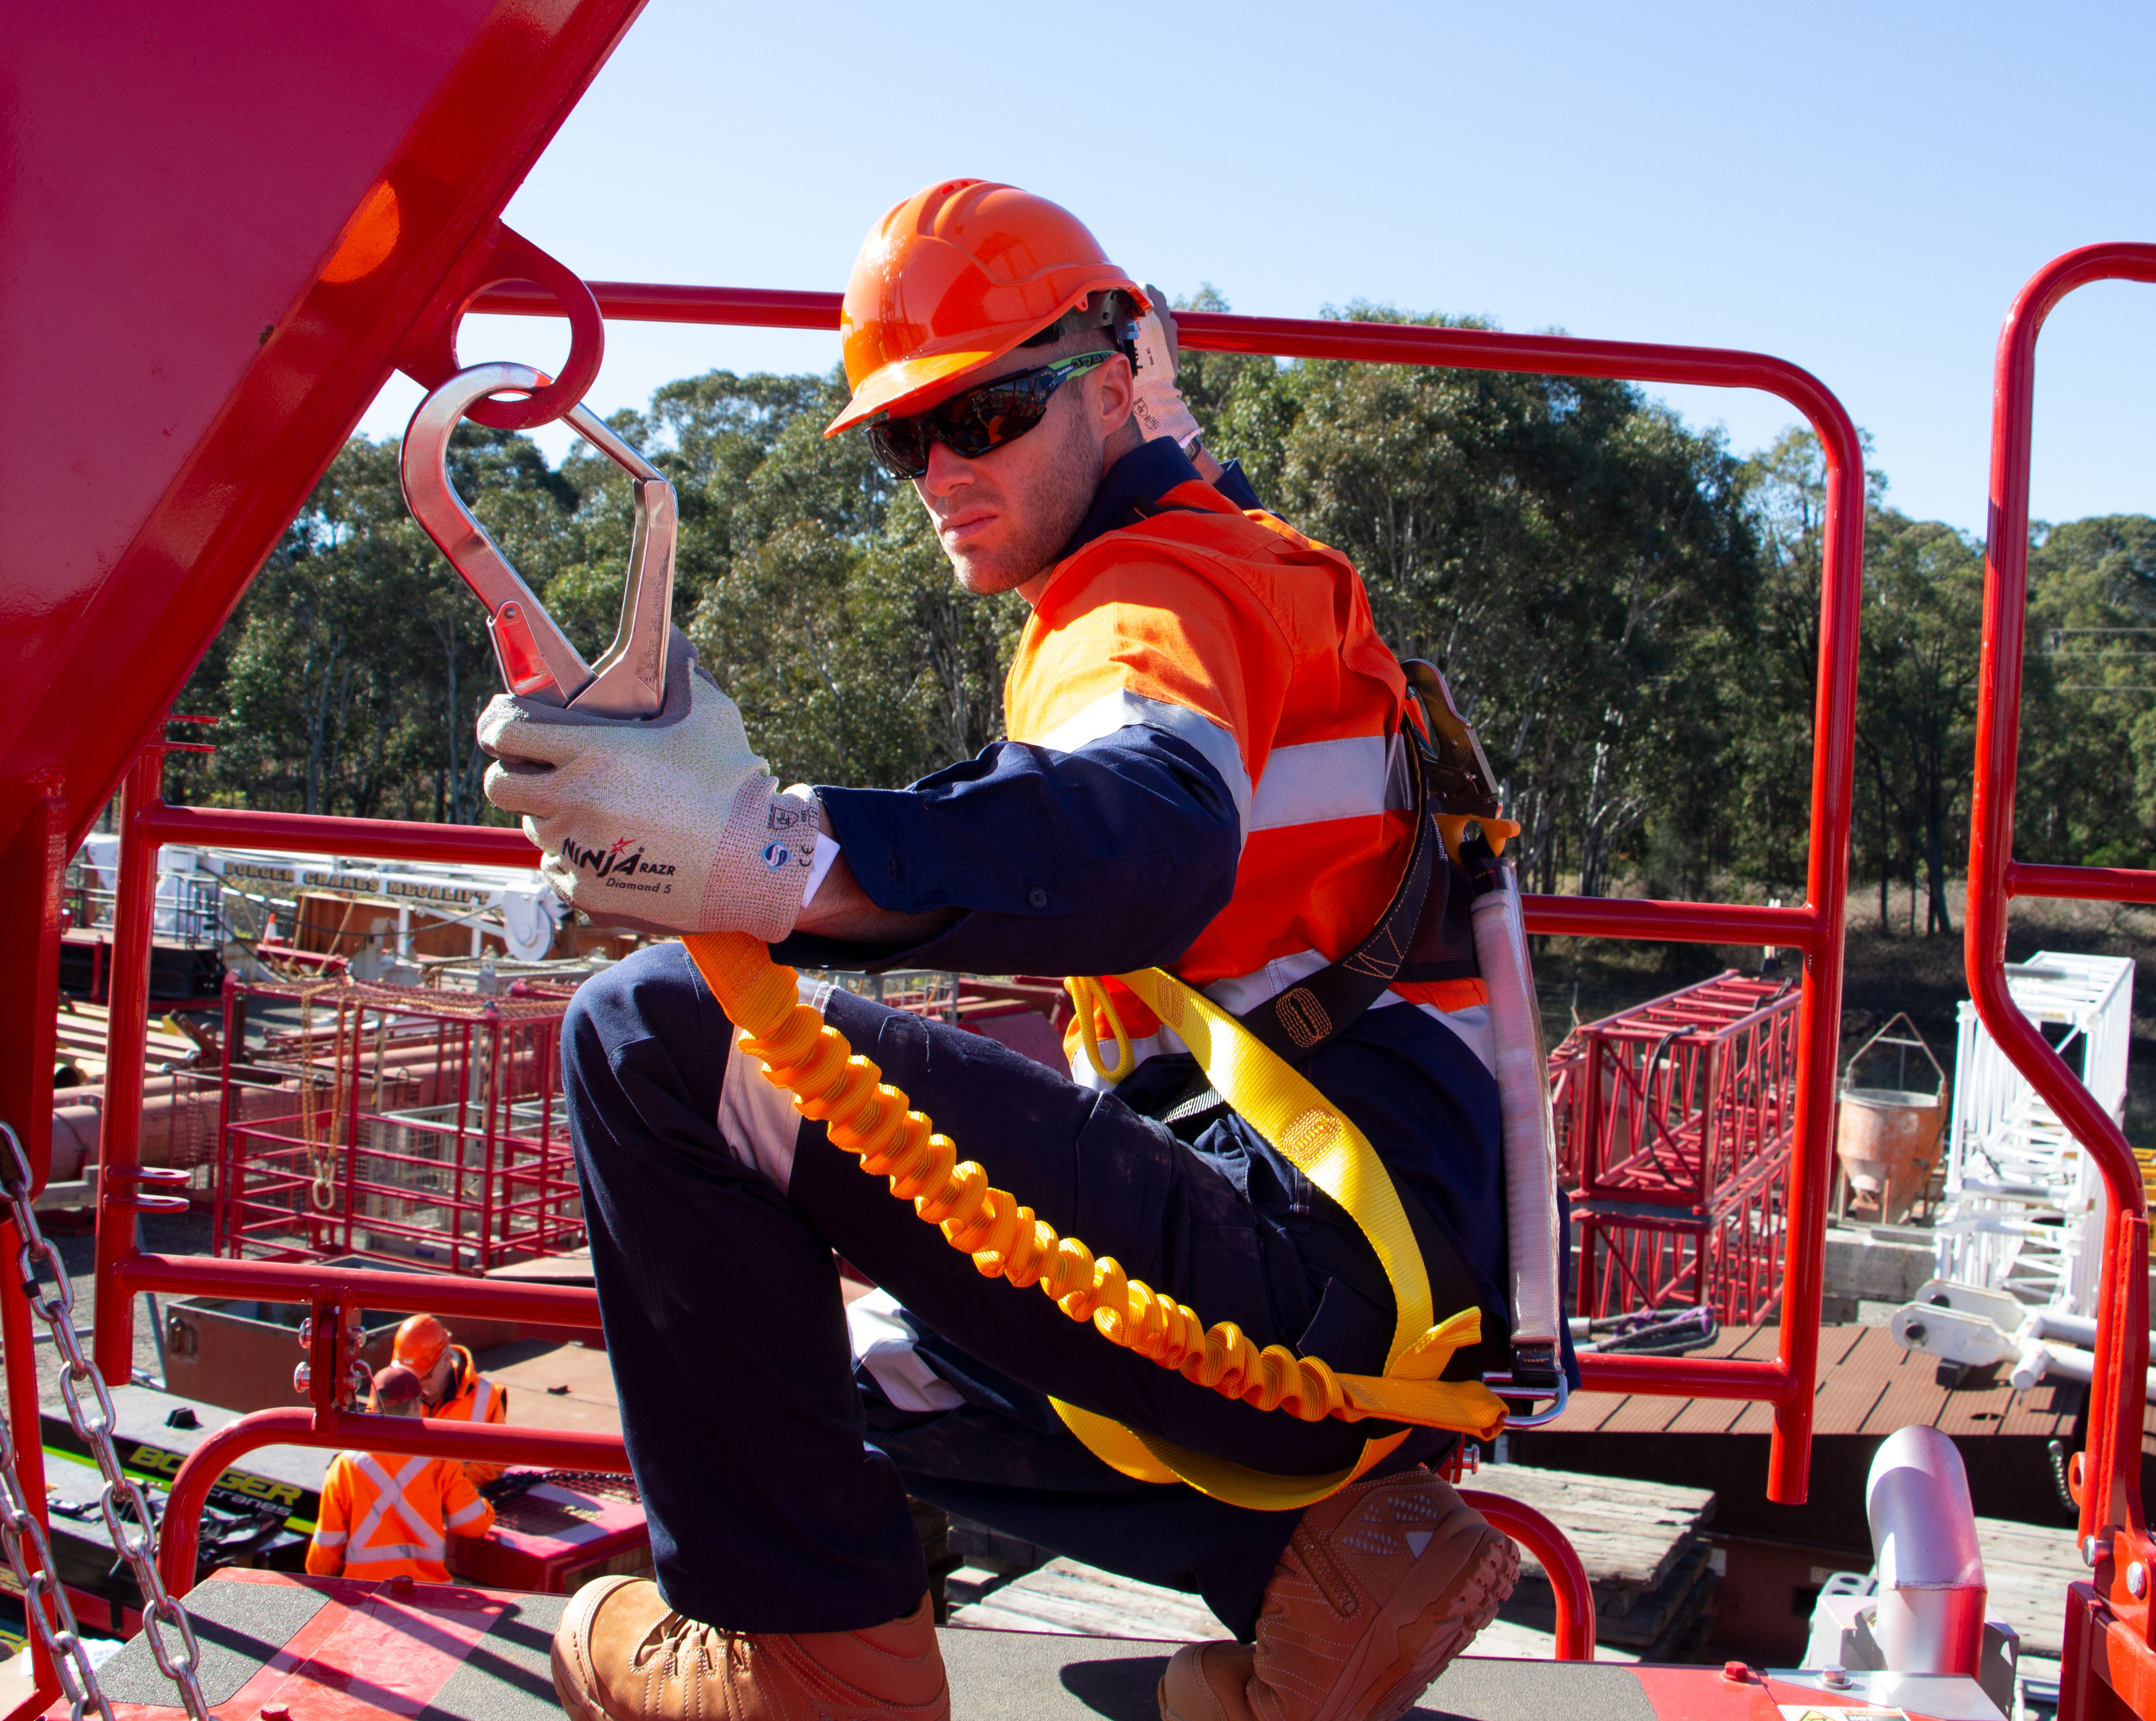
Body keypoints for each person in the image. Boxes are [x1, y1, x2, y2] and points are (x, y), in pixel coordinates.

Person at [481, 180, 1521, 1721]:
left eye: (986, 416)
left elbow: (1146, 825)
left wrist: (771, 855)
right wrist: (1150, 411)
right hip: (1381, 1307)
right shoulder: (1247, 559)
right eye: (907, 439)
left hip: (1306, 1284)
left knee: (650, 1036)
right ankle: (1322, 1567)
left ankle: (809, 1659)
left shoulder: (1140, 595)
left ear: (1106, 387)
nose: (942, 473)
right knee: (845, 1379)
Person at [307, 1364, 497, 1585]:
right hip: (427, 1591)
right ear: (417, 1404)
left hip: (365, 1592)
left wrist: (324, 1582)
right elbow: (473, 1524)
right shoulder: (440, 1460)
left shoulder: (345, 1466)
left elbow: (324, 1555)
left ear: (372, 1405)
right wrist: (486, 1507)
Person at [394, 1312, 513, 1487]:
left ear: (446, 1359)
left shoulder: (488, 1397)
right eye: (409, 1375)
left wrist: (435, 1480)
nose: (416, 1383)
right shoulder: (390, 1390)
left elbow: (492, 1468)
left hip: (455, 1498)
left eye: (424, 1375)